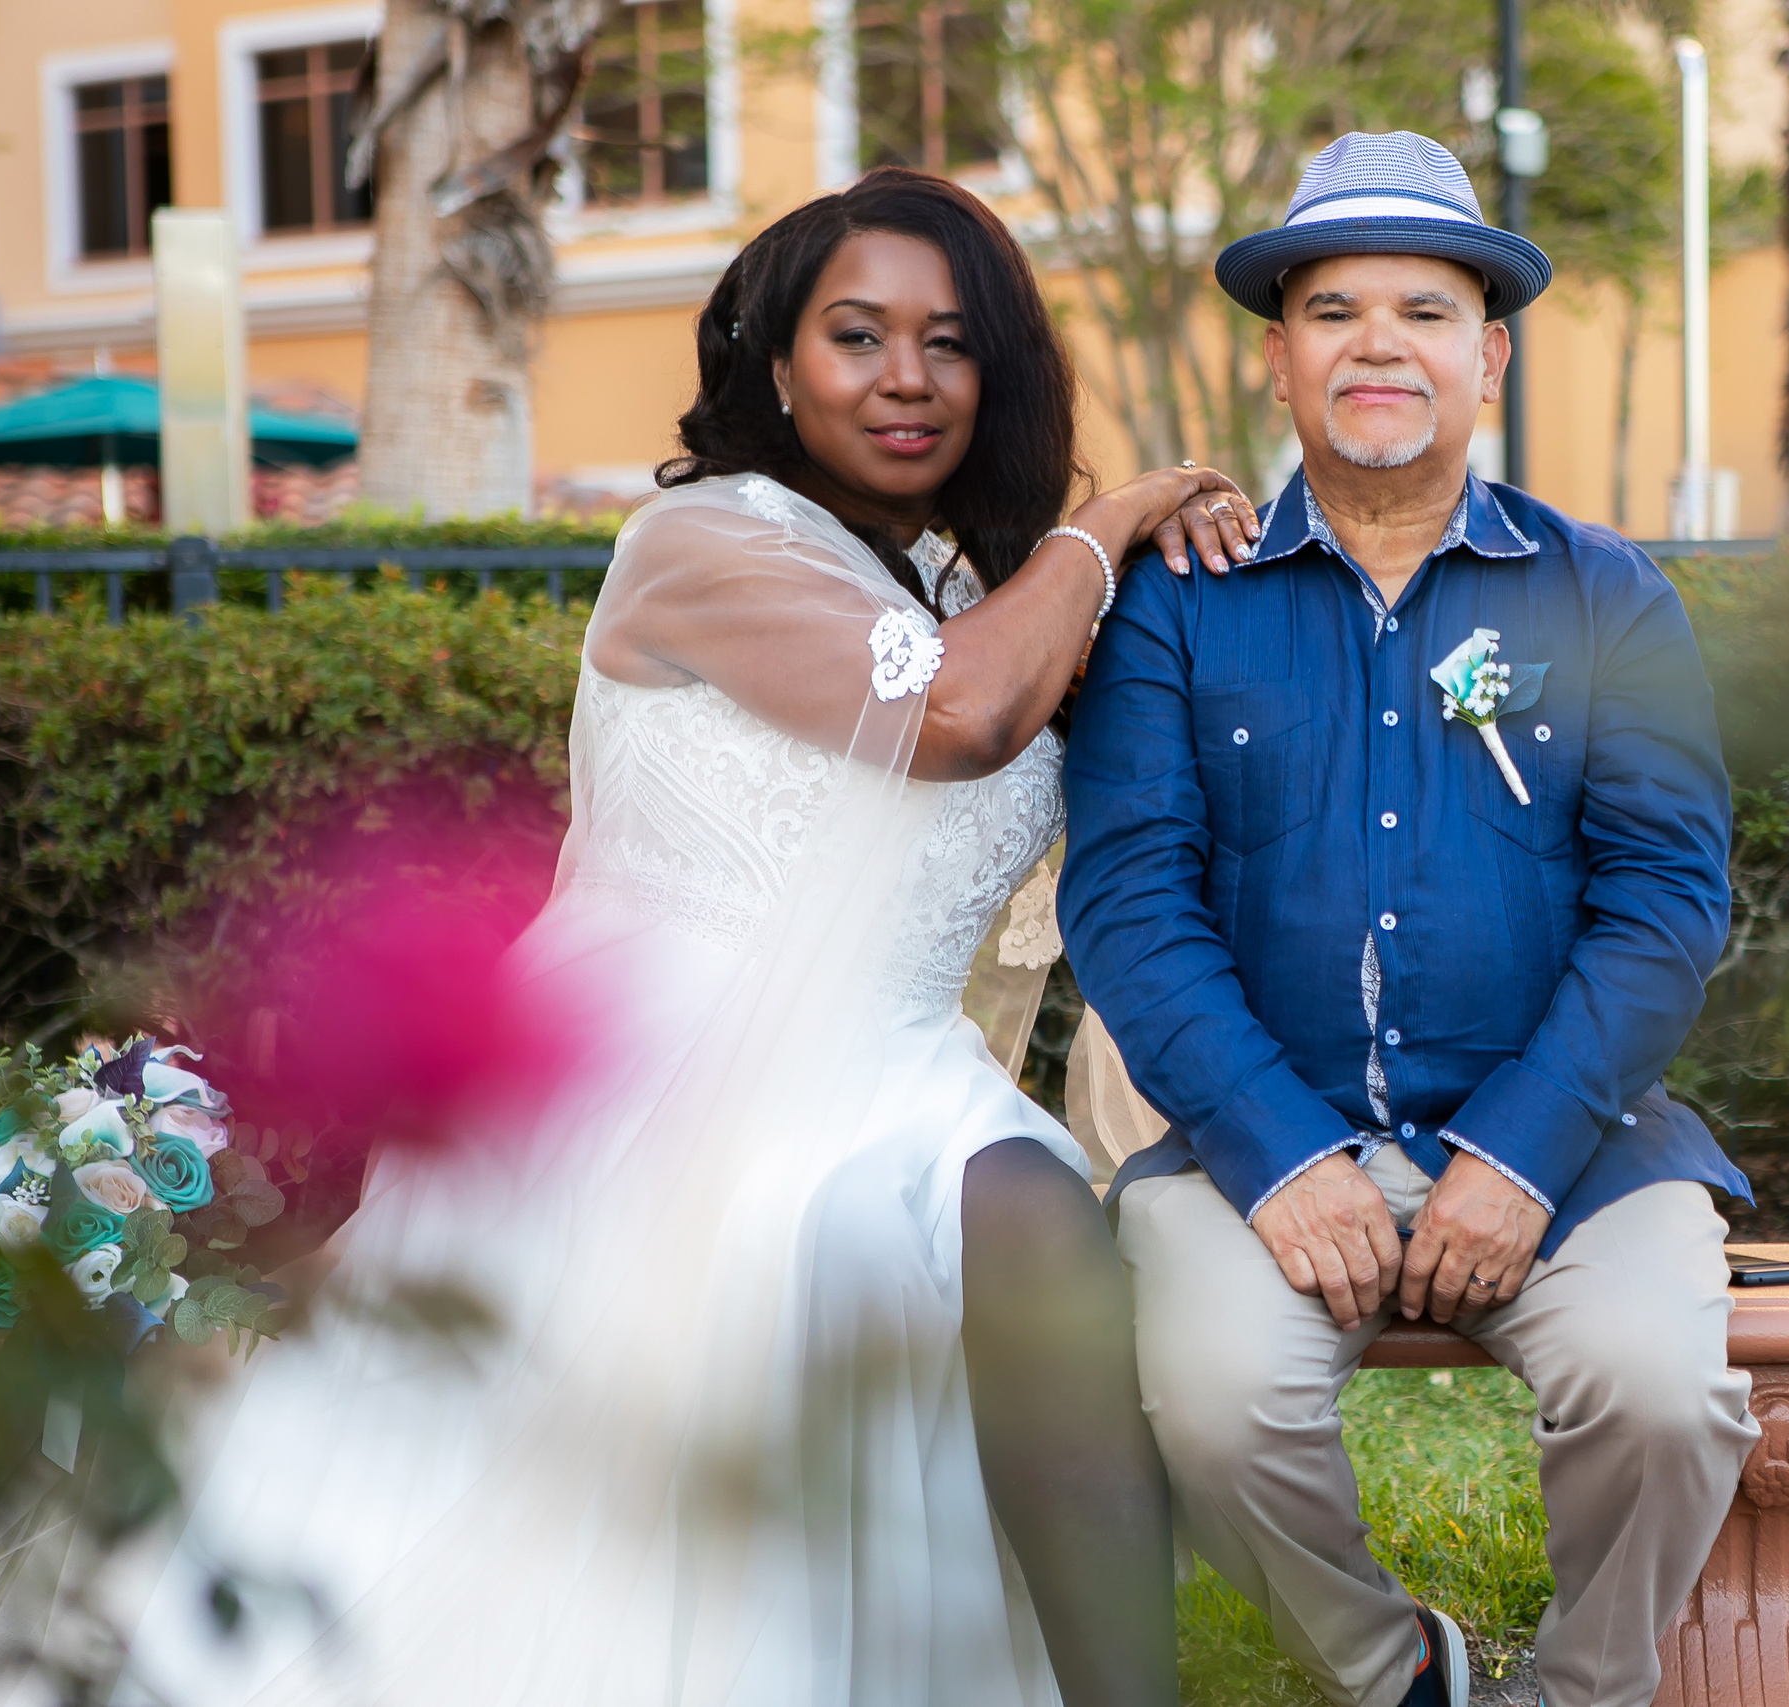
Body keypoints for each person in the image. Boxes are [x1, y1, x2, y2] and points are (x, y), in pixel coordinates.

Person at [116, 168, 1262, 1707]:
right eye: (857, 336)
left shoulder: (989, 586)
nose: (907, 378)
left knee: (1033, 1216)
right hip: (649, 1066)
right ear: (777, 364)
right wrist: (1116, 516)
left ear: (1002, 371)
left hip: (895, 1060)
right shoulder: (705, 543)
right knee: (828, 1242)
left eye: (949, 342)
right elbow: (962, 715)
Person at [1059, 131, 1763, 1707]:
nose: (1380, 342)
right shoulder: (1179, 601)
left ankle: (1583, 1695)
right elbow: (1128, 896)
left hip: (1566, 1142)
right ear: (1282, 354)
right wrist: (1276, 1148)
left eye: (1426, 310)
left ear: (1489, 354)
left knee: (1661, 1394)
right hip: (1263, 1144)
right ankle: (1402, 1682)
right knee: (1218, 1404)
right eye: (1335, 310)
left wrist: (1516, 1155)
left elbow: (1666, 897)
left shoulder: (1608, 599)